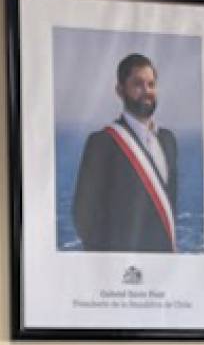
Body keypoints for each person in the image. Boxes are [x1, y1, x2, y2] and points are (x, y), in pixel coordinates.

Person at [71, 52, 179, 253]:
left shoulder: (168, 141)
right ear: (120, 90)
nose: (146, 91)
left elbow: (170, 207)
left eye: (151, 84)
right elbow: (83, 216)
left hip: (162, 269)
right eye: (138, 84)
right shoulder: (102, 142)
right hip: (121, 270)